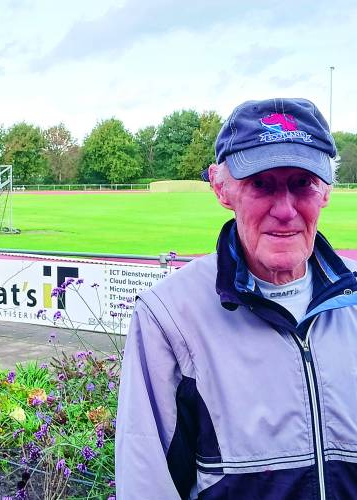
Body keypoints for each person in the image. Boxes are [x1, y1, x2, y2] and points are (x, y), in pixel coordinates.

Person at [116, 98, 357, 499]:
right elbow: (147, 483)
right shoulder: (169, 316)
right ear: (221, 188)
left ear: (326, 192)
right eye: (261, 184)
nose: (285, 210)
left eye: (302, 183)